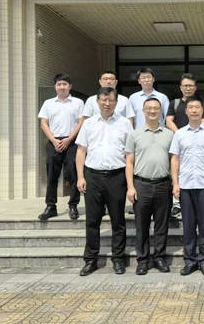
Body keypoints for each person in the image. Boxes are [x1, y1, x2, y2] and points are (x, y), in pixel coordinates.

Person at [75, 87, 133, 276]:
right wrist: (80, 177)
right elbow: (81, 151)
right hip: (93, 176)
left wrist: (129, 182)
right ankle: (91, 260)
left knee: (118, 220)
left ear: (116, 102)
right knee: (92, 220)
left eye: (111, 100)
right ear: (97, 101)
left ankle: (118, 259)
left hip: (117, 177)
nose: (107, 103)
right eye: (103, 100)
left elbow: (130, 154)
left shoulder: (125, 124)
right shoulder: (88, 123)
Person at [169, 98, 204, 276]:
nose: (193, 110)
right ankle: (190, 261)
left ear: (202, 111)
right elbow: (175, 159)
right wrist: (175, 183)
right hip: (185, 185)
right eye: (190, 107)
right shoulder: (179, 134)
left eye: (197, 107)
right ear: (186, 111)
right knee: (188, 226)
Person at [126, 97, 174, 275]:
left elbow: (174, 160)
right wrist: (130, 187)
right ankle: (143, 260)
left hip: (163, 184)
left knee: (162, 225)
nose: (152, 111)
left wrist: (174, 183)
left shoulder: (170, 134)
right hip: (141, 184)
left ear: (161, 111)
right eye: (149, 108)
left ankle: (159, 257)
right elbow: (129, 162)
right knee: (142, 226)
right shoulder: (135, 134)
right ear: (143, 111)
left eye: (156, 108)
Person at [37, 73, 84, 221]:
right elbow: (43, 123)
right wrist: (53, 140)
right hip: (54, 142)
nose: (62, 87)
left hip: (72, 142)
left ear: (70, 86)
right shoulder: (48, 103)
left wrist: (69, 139)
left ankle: (73, 205)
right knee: (52, 175)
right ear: (55, 87)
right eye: (59, 84)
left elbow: (81, 122)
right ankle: (51, 206)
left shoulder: (78, 102)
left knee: (73, 174)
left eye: (64, 84)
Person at [166, 73, 204, 218]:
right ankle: (176, 203)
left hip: (198, 141)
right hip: (179, 142)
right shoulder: (175, 103)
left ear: (195, 87)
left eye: (190, 85)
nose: (188, 88)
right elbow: (169, 121)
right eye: (185, 86)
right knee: (176, 169)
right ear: (180, 87)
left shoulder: (201, 103)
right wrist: (181, 134)